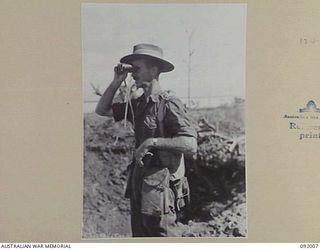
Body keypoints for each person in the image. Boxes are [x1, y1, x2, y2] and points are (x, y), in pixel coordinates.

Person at [95, 43, 197, 237]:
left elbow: (190, 145)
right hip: (139, 182)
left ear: (154, 70)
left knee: (162, 236)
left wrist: (152, 142)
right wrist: (117, 81)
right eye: (131, 69)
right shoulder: (138, 105)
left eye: (137, 68)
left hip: (161, 187)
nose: (133, 74)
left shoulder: (169, 104)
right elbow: (102, 110)